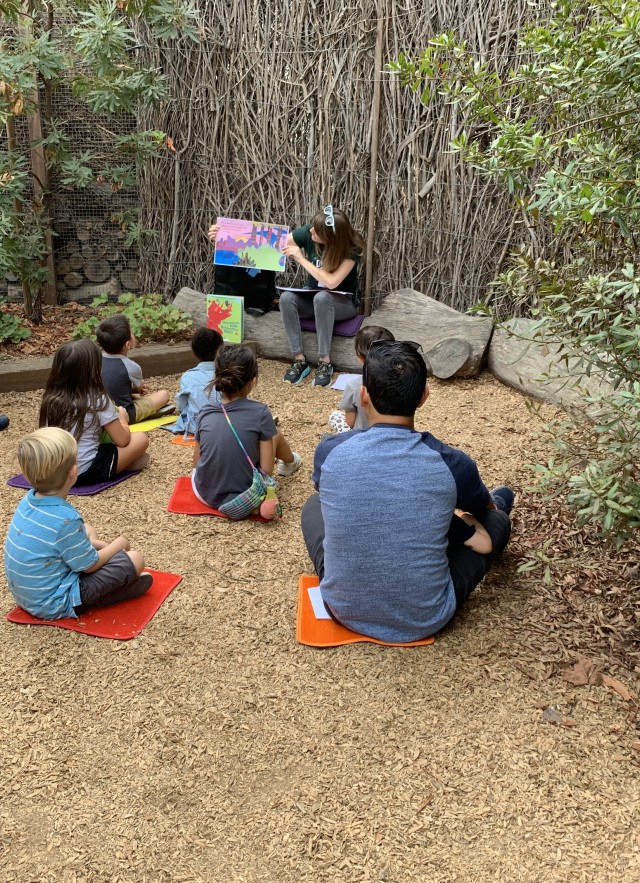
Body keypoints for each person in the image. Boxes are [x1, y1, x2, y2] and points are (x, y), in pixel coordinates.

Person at [301, 341, 514, 642]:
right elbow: (482, 510)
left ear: (363, 396)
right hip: (426, 617)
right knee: (497, 521)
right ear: (424, 396)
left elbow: (331, 495)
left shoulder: (330, 450)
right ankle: (503, 500)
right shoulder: (452, 463)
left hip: (343, 608)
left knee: (313, 505)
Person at [207, 205, 365, 388]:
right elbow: (268, 243)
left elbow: (332, 283)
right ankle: (299, 359)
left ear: (330, 238)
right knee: (286, 298)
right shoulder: (308, 233)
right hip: (314, 298)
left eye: (317, 230)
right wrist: (225, 237)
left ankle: (324, 362)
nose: (311, 230)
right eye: (312, 227)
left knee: (323, 297)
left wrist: (301, 258)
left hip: (343, 303)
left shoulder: (351, 249)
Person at [4, 427, 152, 620]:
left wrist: (96, 546)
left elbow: (54, 542)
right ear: (74, 471)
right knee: (135, 559)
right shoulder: (66, 520)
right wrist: (118, 544)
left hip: (28, 596)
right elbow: (89, 566)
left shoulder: (28, 500)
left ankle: (108, 577)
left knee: (87, 530)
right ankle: (110, 595)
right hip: (55, 602)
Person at [192, 344, 302, 520]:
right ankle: (290, 462)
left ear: (216, 377)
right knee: (275, 434)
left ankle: (289, 461)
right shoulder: (260, 412)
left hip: (205, 494)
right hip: (247, 495)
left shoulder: (205, 412)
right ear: (253, 381)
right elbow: (266, 470)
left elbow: (197, 462)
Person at [39, 338, 150, 486]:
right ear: (95, 369)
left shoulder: (50, 397)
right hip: (84, 471)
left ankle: (127, 462)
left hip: (53, 470)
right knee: (141, 439)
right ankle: (125, 464)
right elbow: (122, 440)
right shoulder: (96, 397)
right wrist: (123, 420)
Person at [96, 314, 171, 424]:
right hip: (125, 414)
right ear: (128, 344)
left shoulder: (95, 359)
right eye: (131, 333)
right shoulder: (132, 367)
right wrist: (137, 389)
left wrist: (133, 391)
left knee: (134, 395)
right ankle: (149, 412)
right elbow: (140, 387)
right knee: (164, 395)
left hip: (101, 410)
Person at [328, 325, 395, 433]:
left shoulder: (354, 386)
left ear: (360, 357)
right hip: (392, 435)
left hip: (360, 437)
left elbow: (350, 422)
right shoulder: (400, 383)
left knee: (335, 416)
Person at [168, 327, 224, 436]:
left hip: (196, 427)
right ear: (220, 350)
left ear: (194, 352)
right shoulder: (227, 373)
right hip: (225, 424)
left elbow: (182, 406)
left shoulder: (188, 376)